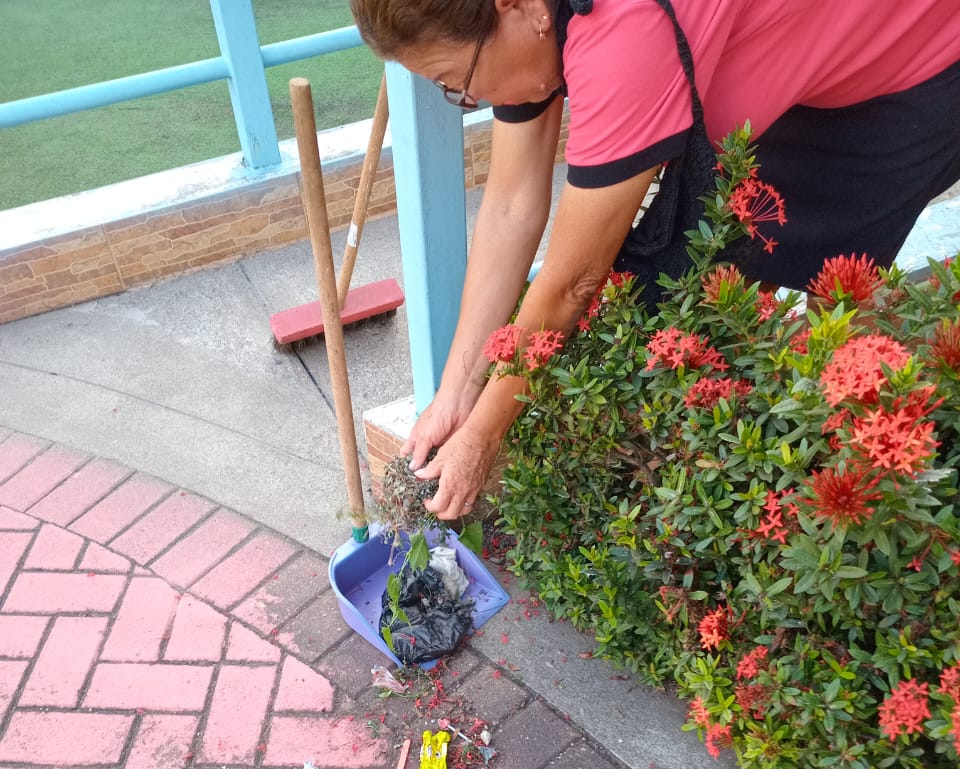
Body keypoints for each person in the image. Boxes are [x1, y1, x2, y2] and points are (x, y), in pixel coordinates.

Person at [349, 0, 960, 520]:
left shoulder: (622, 36)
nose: (472, 98)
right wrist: (457, 391)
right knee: (719, 299)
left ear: (519, 7)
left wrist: (484, 435)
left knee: (829, 301)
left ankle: (864, 499)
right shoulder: (526, 28)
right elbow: (510, 207)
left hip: (913, 56)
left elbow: (573, 284)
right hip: (797, 59)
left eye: (455, 81)